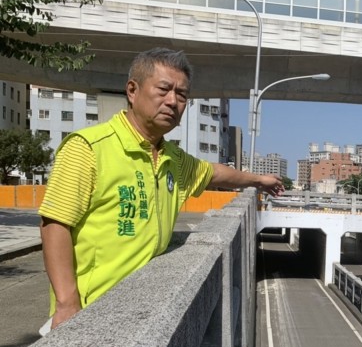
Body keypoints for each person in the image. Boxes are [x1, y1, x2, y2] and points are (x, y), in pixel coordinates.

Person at [38, 48, 284, 330]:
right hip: (91, 310)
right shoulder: (89, 147)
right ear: (133, 90)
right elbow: (54, 223)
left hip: (143, 310)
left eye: (182, 95)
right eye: (164, 89)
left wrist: (257, 180)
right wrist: (67, 304)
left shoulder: (172, 158)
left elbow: (215, 172)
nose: (172, 101)